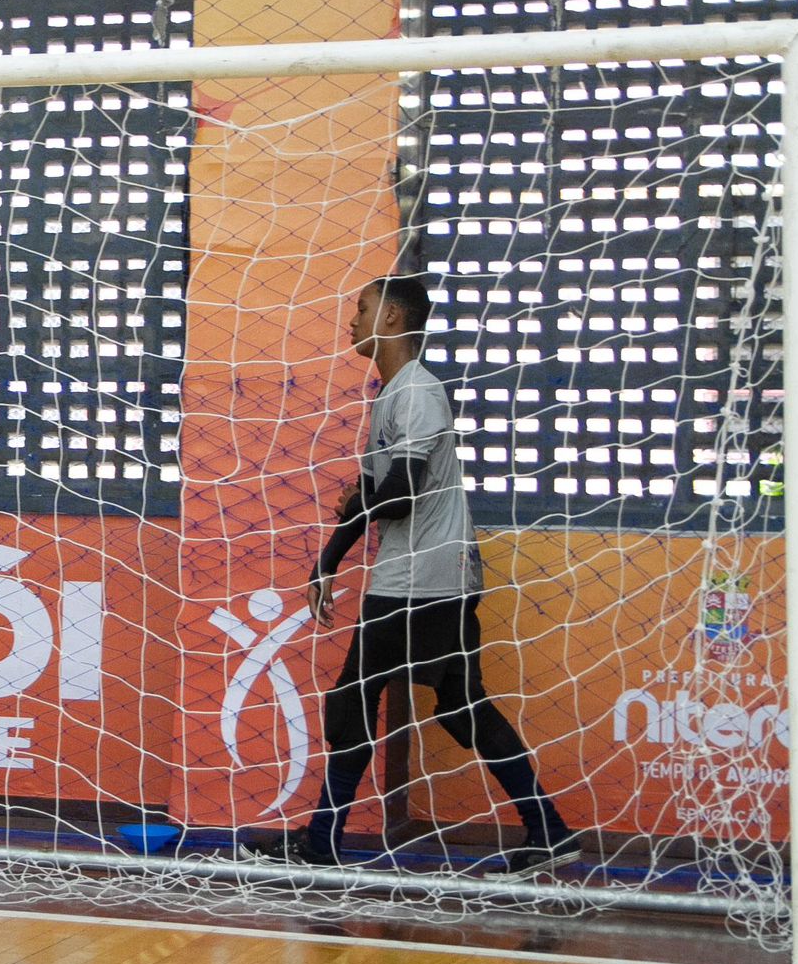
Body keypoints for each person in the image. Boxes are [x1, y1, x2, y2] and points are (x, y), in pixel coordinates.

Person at [246, 275, 580, 877]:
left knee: (353, 698)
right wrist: (331, 557)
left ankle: (323, 843)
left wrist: (354, 517)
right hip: (422, 576)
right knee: (458, 707)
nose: (352, 322)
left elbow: (393, 499)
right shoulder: (391, 394)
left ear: (393, 317)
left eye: (362, 309)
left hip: (423, 580)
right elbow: (378, 496)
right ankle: (549, 830)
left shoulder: (417, 394)